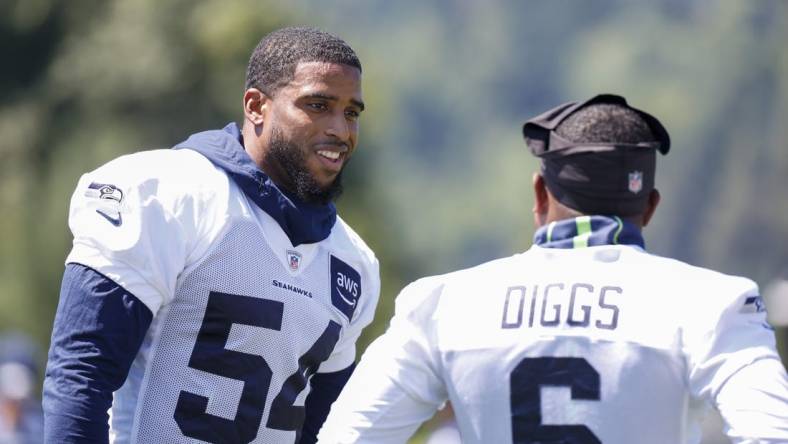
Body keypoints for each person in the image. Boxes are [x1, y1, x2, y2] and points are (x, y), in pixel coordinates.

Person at [316, 94, 788, 443]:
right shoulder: (711, 301)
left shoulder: (442, 303)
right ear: (650, 206)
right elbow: (772, 432)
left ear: (540, 195)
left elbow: (346, 438)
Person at [43, 26, 380, 444]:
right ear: (257, 106)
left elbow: (324, 430)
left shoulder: (355, 264)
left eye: (352, 112)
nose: (340, 130)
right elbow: (81, 376)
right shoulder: (171, 194)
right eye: (318, 105)